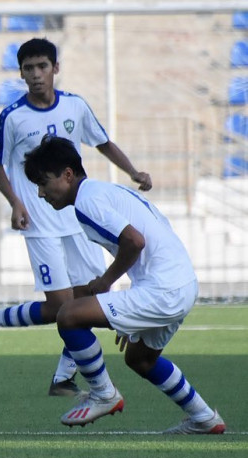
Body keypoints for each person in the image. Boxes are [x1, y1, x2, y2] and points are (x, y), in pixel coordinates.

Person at [0, 37, 153, 397]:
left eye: (42, 66)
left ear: (55, 68)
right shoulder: (13, 116)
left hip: (77, 220)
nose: (36, 74)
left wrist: (132, 171)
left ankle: (62, 378)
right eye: (29, 68)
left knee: (87, 302)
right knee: (59, 307)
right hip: (40, 223)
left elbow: (103, 142)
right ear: (20, 73)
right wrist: (16, 203)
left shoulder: (75, 107)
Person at [22, 135, 225, 433]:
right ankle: (204, 418)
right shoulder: (106, 191)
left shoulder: (87, 202)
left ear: (67, 174)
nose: (40, 194)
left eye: (43, 182)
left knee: (68, 315)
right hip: (181, 283)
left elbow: (134, 241)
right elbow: (153, 233)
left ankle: (104, 394)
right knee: (140, 359)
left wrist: (106, 282)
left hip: (163, 290)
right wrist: (135, 304)